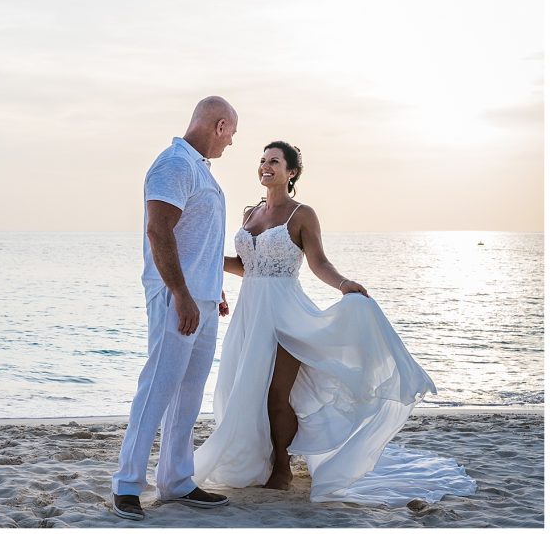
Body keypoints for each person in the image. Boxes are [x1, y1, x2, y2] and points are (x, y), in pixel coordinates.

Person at [192, 141, 477, 506]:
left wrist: (344, 285)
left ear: (291, 172)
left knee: (277, 394)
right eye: (262, 161)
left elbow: (318, 262)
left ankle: (282, 463)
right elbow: (247, 266)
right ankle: (261, 459)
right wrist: (207, 259)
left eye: (274, 162)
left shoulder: (302, 214)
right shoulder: (251, 213)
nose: (266, 166)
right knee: (242, 391)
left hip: (285, 314)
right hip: (249, 314)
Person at [110, 96, 237, 521]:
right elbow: (157, 229)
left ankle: (176, 480)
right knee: (158, 386)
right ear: (219, 125)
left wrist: (211, 288)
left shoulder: (200, 168)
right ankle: (127, 483)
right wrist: (181, 293)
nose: (231, 143)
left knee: (188, 392)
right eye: (231, 133)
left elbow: (199, 240)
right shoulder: (175, 164)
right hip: (174, 295)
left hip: (200, 295)